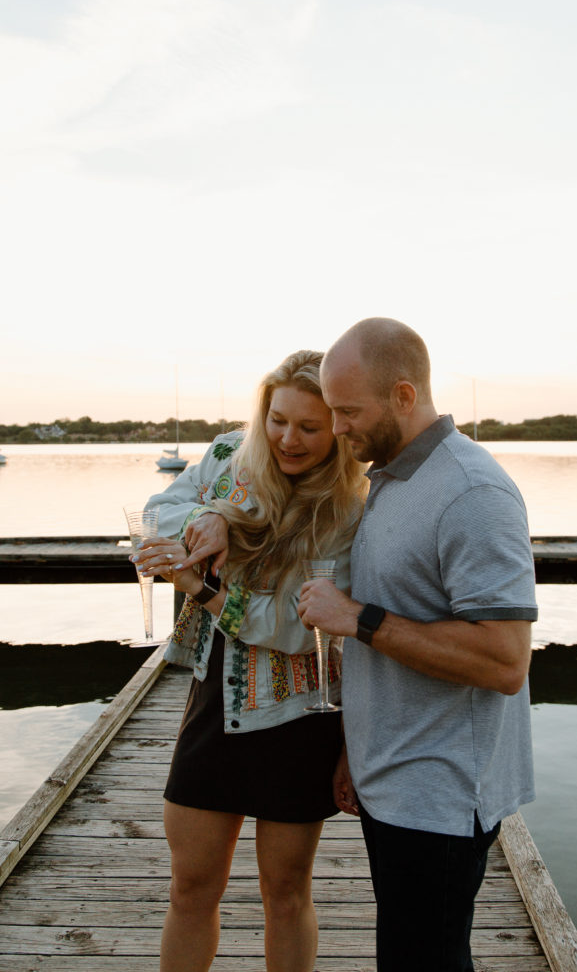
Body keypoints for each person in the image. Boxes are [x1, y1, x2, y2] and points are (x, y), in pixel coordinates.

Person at [298, 318, 538, 972]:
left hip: (441, 793)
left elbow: (503, 661)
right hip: (391, 777)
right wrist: (356, 745)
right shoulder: (391, 477)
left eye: (348, 411)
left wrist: (357, 618)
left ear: (404, 396)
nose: (337, 426)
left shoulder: (471, 491)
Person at [131, 349, 367, 972]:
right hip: (215, 700)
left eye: (309, 427)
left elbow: (296, 629)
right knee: (189, 888)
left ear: (338, 430)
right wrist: (208, 516)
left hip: (299, 713)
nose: (288, 439)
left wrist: (205, 593)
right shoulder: (226, 454)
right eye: (278, 419)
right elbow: (159, 511)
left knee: (285, 895)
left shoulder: (347, 511)